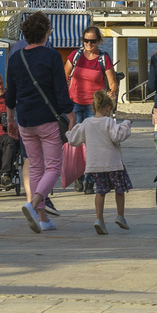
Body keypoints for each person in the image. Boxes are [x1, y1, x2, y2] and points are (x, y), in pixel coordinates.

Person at [4, 12, 73, 233]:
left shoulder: (16, 57)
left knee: (35, 166)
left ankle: (43, 219)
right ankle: (33, 205)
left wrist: (10, 118)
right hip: (46, 118)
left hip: (24, 118)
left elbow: (10, 93)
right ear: (45, 33)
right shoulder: (51, 56)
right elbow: (60, 90)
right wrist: (70, 114)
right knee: (53, 167)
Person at [66, 89, 132, 234]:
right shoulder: (108, 122)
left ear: (93, 108)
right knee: (119, 190)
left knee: (100, 192)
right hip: (112, 163)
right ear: (108, 108)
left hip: (94, 165)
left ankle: (99, 220)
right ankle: (120, 216)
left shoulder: (86, 123)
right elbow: (118, 136)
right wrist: (126, 124)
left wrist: (69, 132)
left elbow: (74, 140)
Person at [66, 28, 117, 123]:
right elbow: (64, 78)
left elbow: (112, 83)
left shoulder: (104, 58)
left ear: (98, 41)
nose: (89, 44)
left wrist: (112, 92)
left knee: (91, 134)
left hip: (94, 105)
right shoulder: (75, 55)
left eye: (92, 41)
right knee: (75, 133)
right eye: (86, 40)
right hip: (74, 103)